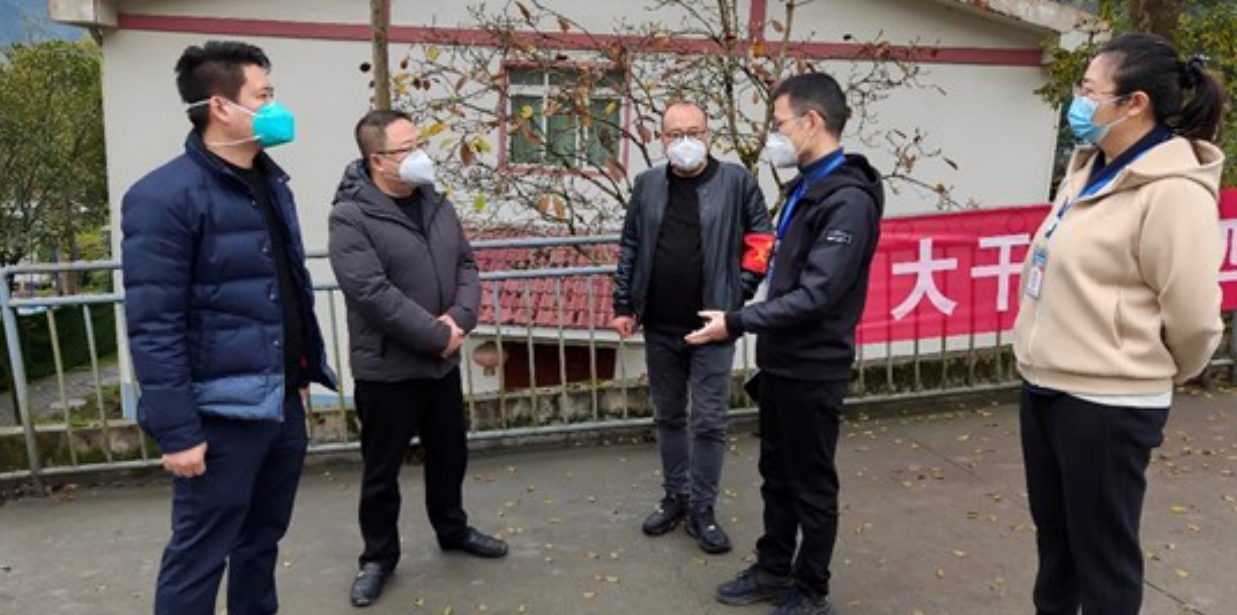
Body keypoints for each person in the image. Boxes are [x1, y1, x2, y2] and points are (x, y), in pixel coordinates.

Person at [1012, 33, 1226, 615]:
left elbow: (1194, 317)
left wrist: (1148, 369)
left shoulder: (1174, 193)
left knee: (1103, 559)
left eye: (1090, 90)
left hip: (1109, 403)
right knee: (1056, 549)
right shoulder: (1090, 169)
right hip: (1046, 386)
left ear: (1134, 104)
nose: (1078, 102)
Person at [121, 41, 337, 615]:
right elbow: (153, 324)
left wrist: (299, 378)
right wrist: (177, 432)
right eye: (263, 96)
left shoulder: (270, 182)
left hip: (279, 402)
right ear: (220, 106)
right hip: (218, 417)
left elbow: (284, 290)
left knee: (260, 543)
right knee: (199, 554)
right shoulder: (162, 198)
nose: (276, 107)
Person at [686, 73, 884, 615]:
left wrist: (737, 321)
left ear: (811, 121)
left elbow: (818, 294)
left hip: (813, 368)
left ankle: (811, 588)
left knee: (810, 485)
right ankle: (773, 567)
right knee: (776, 476)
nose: (773, 136)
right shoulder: (806, 186)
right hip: (781, 362)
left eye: (778, 124)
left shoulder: (847, 199)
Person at [328, 109, 507, 608]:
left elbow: (466, 266)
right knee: (381, 472)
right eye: (407, 148)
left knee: (449, 455)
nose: (420, 156)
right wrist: (437, 335)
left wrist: (460, 320)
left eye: (418, 143)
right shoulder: (351, 216)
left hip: (440, 364)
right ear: (378, 160)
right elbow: (371, 293)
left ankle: (453, 528)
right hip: (388, 370)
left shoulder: (435, 202)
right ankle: (378, 557)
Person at [612, 101, 774, 554]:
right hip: (660, 325)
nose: (685, 141)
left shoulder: (736, 182)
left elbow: (761, 241)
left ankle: (703, 509)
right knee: (667, 417)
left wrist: (737, 296)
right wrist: (624, 303)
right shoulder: (647, 185)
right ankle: (675, 498)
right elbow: (630, 245)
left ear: (708, 134)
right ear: (661, 139)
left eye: (694, 131)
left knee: (709, 422)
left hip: (713, 326)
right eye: (674, 134)